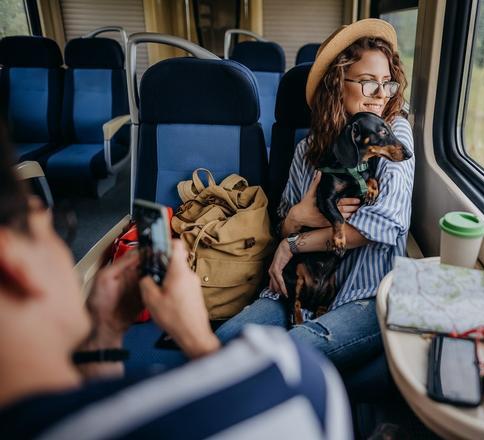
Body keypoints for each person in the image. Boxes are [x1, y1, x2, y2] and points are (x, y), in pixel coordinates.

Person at [0, 123, 351, 439]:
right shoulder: (293, 384)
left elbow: (100, 415)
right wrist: (196, 336)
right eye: (60, 227)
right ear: (13, 260)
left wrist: (104, 336)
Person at [216, 18, 415, 373]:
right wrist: (295, 219)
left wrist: (292, 245)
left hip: (364, 295)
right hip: (301, 288)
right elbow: (283, 222)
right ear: (338, 84)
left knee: (278, 361)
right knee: (226, 343)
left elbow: (382, 225)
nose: (382, 95)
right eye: (369, 83)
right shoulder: (307, 149)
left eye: (387, 83)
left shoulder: (393, 132)